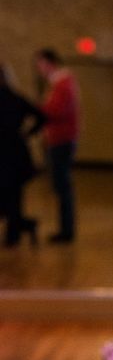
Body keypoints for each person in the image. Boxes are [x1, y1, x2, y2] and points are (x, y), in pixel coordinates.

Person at [35, 48, 80, 243]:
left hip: (62, 139)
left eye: (41, 64)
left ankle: (66, 230)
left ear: (50, 63)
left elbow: (55, 110)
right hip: (59, 138)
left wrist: (38, 109)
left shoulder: (62, 83)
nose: (39, 69)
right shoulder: (59, 83)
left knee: (62, 186)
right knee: (60, 185)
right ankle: (65, 228)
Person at [0, 65, 44, 246]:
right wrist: (27, 133)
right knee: (15, 194)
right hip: (16, 153)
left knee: (6, 193)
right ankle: (15, 232)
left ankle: (17, 227)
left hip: (5, 153)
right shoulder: (16, 97)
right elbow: (41, 116)